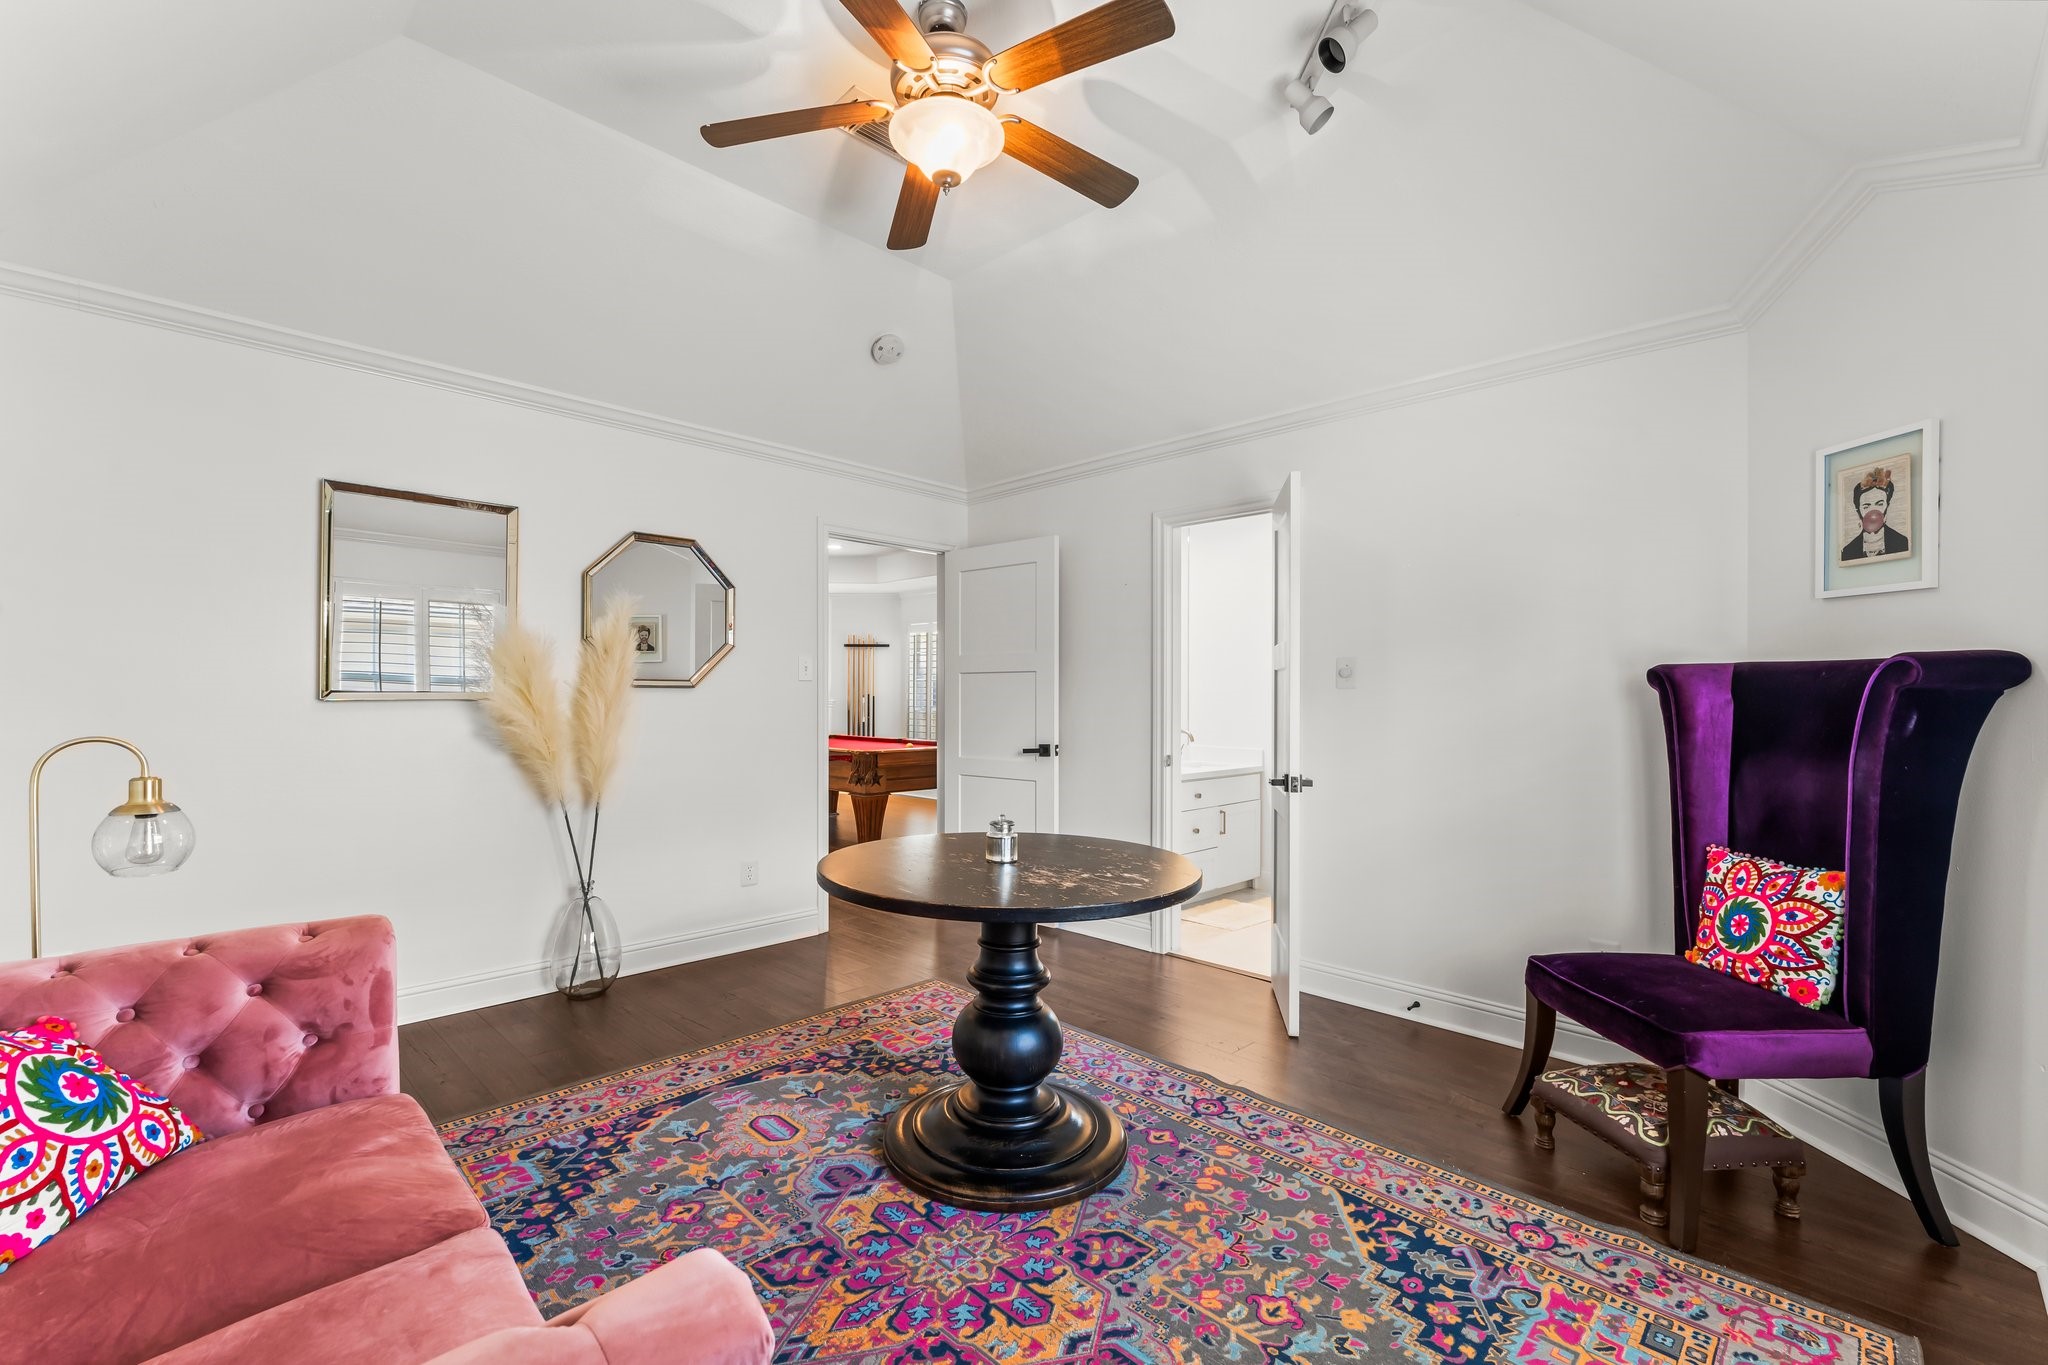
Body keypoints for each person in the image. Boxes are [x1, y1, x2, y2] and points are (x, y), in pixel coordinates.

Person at [1840, 468, 1910, 562]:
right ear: (1858, 511)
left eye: (1879, 504)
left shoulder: (1902, 543)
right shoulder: (1848, 552)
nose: (1873, 511)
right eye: (1866, 506)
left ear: (1887, 506)